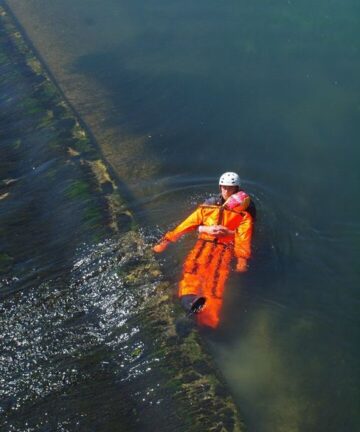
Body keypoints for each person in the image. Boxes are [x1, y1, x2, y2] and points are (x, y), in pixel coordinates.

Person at [153, 172, 254, 328]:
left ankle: (207, 318)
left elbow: (244, 236)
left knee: (215, 283)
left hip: (224, 250)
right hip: (203, 246)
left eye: (230, 189)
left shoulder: (244, 213)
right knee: (191, 272)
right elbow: (187, 224)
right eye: (224, 188)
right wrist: (167, 240)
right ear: (220, 187)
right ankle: (191, 303)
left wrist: (241, 258)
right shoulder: (207, 207)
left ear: (237, 189)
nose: (226, 192)